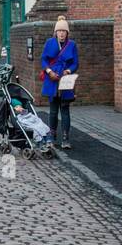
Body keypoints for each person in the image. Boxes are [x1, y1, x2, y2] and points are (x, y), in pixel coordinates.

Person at [39, 16, 79, 150]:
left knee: (65, 110)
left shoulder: (72, 45)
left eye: (64, 31)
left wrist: (68, 70)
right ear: (55, 32)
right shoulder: (49, 43)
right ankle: (51, 135)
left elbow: (75, 63)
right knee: (53, 110)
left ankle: (66, 138)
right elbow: (43, 60)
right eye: (59, 31)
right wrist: (49, 71)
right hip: (52, 79)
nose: (61, 33)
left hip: (65, 79)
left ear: (67, 33)